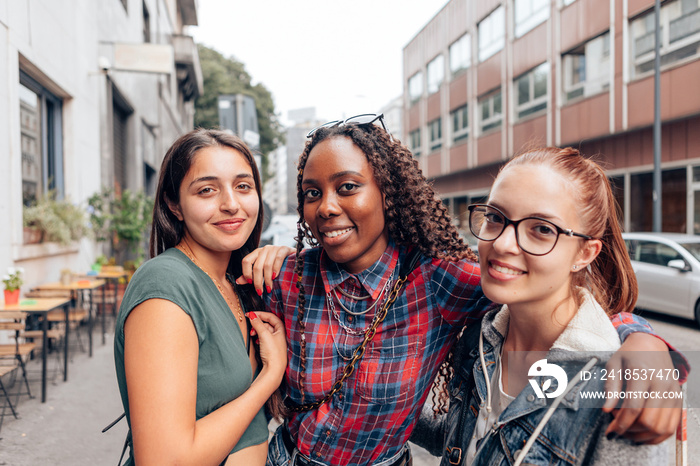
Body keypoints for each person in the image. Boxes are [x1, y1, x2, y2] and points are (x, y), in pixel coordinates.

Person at [239, 116, 683, 466]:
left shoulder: (440, 282)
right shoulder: (287, 277)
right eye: (312, 193)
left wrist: (648, 343)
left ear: (388, 194)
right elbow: (464, 431)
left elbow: (580, 318)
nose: (327, 206)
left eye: (540, 229)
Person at [410, 147, 680, 465]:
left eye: (541, 229)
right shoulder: (478, 338)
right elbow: (462, 437)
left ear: (585, 253)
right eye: (495, 218)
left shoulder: (620, 387)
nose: (502, 244)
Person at [113, 129, 287, 466]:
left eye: (243, 186)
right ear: (174, 205)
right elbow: (165, 460)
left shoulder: (238, 283)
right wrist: (269, 376)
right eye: (207, 190)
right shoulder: (166, 284)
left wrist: (292, 261)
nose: (231, 204)